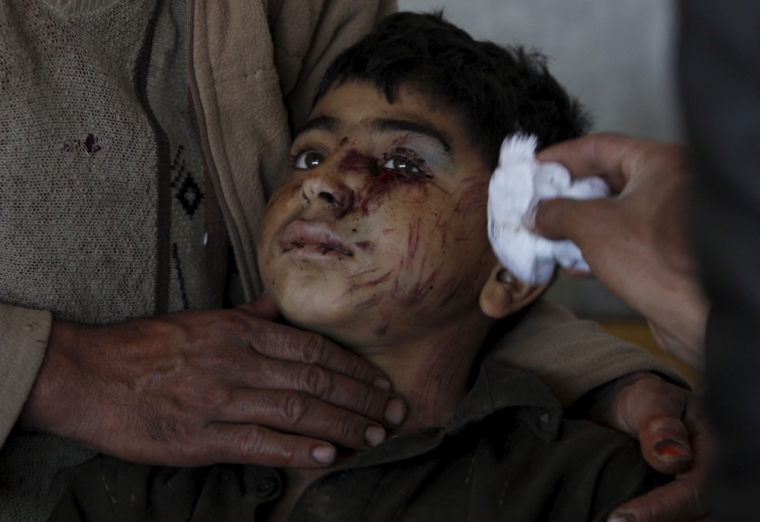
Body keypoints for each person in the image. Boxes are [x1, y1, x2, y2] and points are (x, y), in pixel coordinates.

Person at [0, 1, 705, 521]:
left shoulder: (590, 490)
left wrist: (658, 361)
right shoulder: (137, 494)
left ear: (514, 266)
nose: (320, 181)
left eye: (402, 161)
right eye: (308, 153)